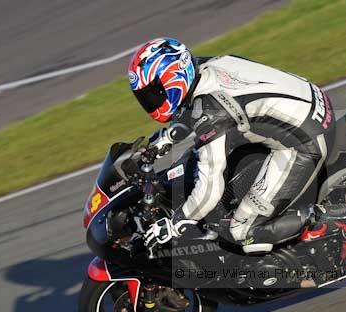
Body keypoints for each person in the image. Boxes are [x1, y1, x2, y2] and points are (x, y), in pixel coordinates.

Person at [128, 38, 335, 254]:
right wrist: (163, 140)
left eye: (153, 93)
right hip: (314, 101)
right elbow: (195, 111)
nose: (150, 101)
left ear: (173, 78)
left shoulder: (209, 112)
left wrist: (175, 224)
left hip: (306, 141)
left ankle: (324, 221)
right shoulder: (210, 65)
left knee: (240, 230)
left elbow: (209, 191)